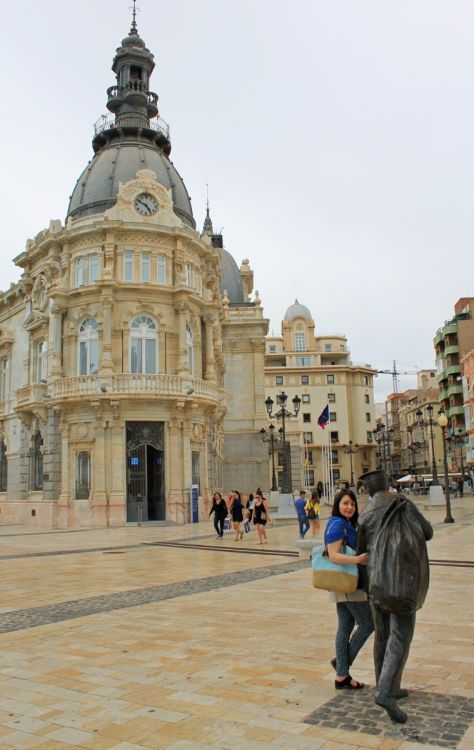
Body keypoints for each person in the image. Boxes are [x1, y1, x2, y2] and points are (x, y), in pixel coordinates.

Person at [358, 470, 433, 724]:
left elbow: (360, 552)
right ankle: (385, 692)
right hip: (402, 583)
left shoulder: (365, 514)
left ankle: (388, 685)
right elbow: (428, 532)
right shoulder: (403, 503)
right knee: (401, 635)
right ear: (387, 484)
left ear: (368, 489)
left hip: (376, 584)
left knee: (382, 636)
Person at [325, 489, 374, 690]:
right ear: (338, 505)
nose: (349, 507)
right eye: (345, 503)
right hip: (348, 582)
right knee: (368, 623)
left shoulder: (344, 523)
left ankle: (341, 676)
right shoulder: (338, 524)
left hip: (342, 583)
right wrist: (358, 559)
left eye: (352, 504)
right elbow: (333, 555)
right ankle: (341, 664)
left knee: (345, 626)